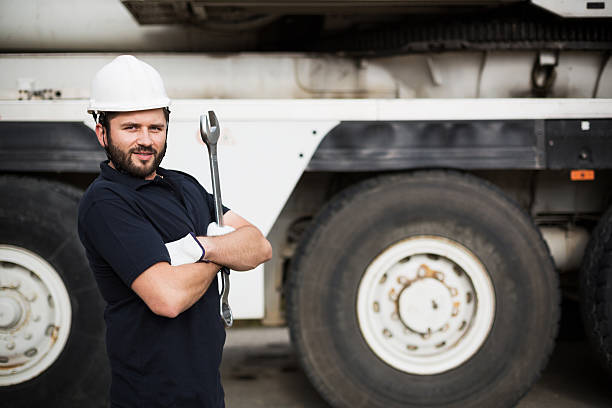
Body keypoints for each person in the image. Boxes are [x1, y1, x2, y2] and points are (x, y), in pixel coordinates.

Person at [77, 55, 272, 408]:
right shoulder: (105, 203)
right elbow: (168, 298)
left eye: (155, 127)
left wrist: (197, 249)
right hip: (150, 396)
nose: (145, 140)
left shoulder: (186, 186)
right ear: (102, 132)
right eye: (131, 128)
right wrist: (221, 250)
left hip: (207, 393)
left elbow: (259, 245)